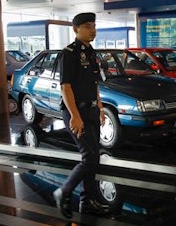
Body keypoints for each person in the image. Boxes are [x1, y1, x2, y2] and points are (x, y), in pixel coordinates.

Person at [53, 12, 110, 218]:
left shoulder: (91, 51)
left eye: (94, 26)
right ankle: (63, 191)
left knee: (94, 159)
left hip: (92, 111)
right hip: (76, 111)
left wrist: (101, 109)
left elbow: (93, 84)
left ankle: (88, 203)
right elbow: (65, 87)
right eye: (87, 26)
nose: (92, 29)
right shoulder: (69, 52)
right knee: (90, 157)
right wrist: (74, 116)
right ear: (76, 29)